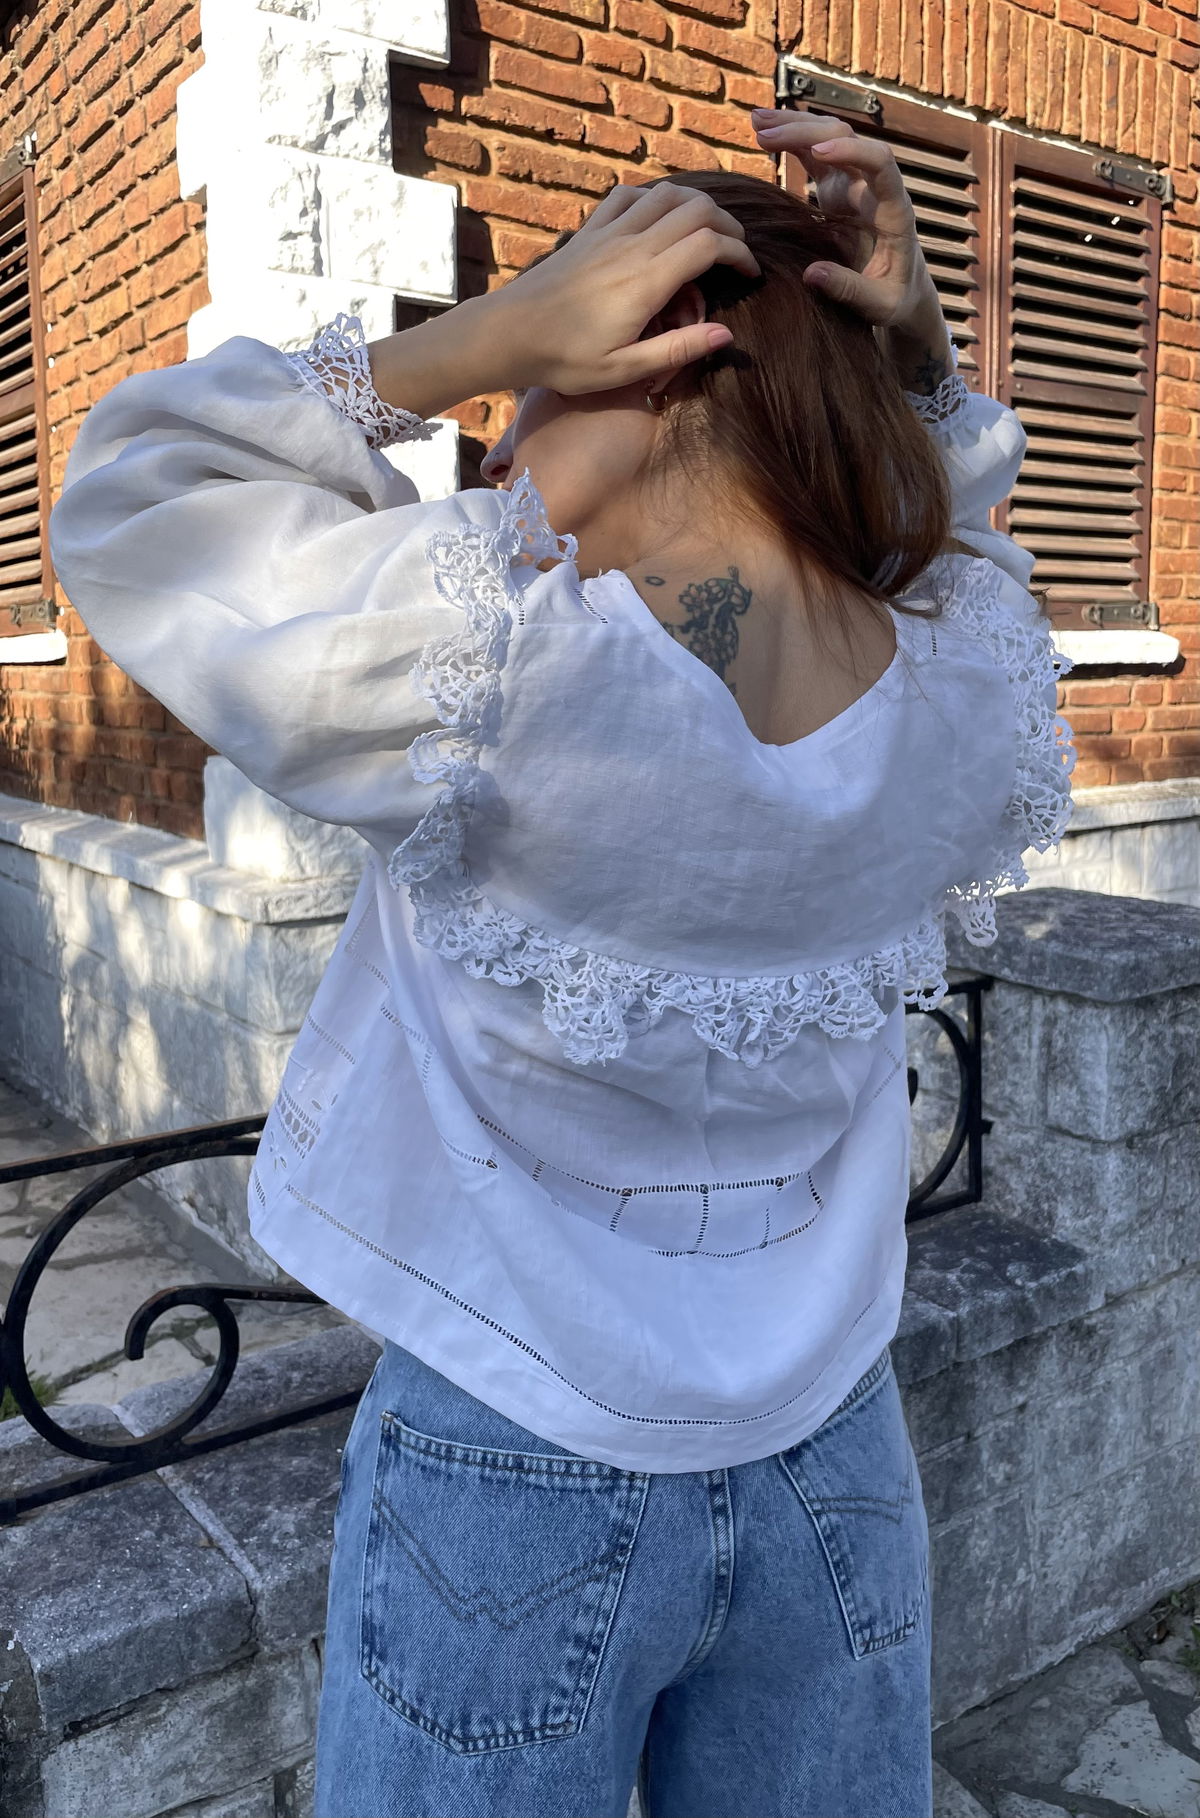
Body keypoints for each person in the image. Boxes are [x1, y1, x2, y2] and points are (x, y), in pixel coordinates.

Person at [47, 106, 1074, 1818]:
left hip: (510, 1445)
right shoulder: (963, 689)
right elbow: (939, 510)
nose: (504, 432)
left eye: (547, 376)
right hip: (832, 1442)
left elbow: (135, 486)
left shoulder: (479, 673)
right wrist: (916, 357)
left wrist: (470, 334)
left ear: (646, 382)